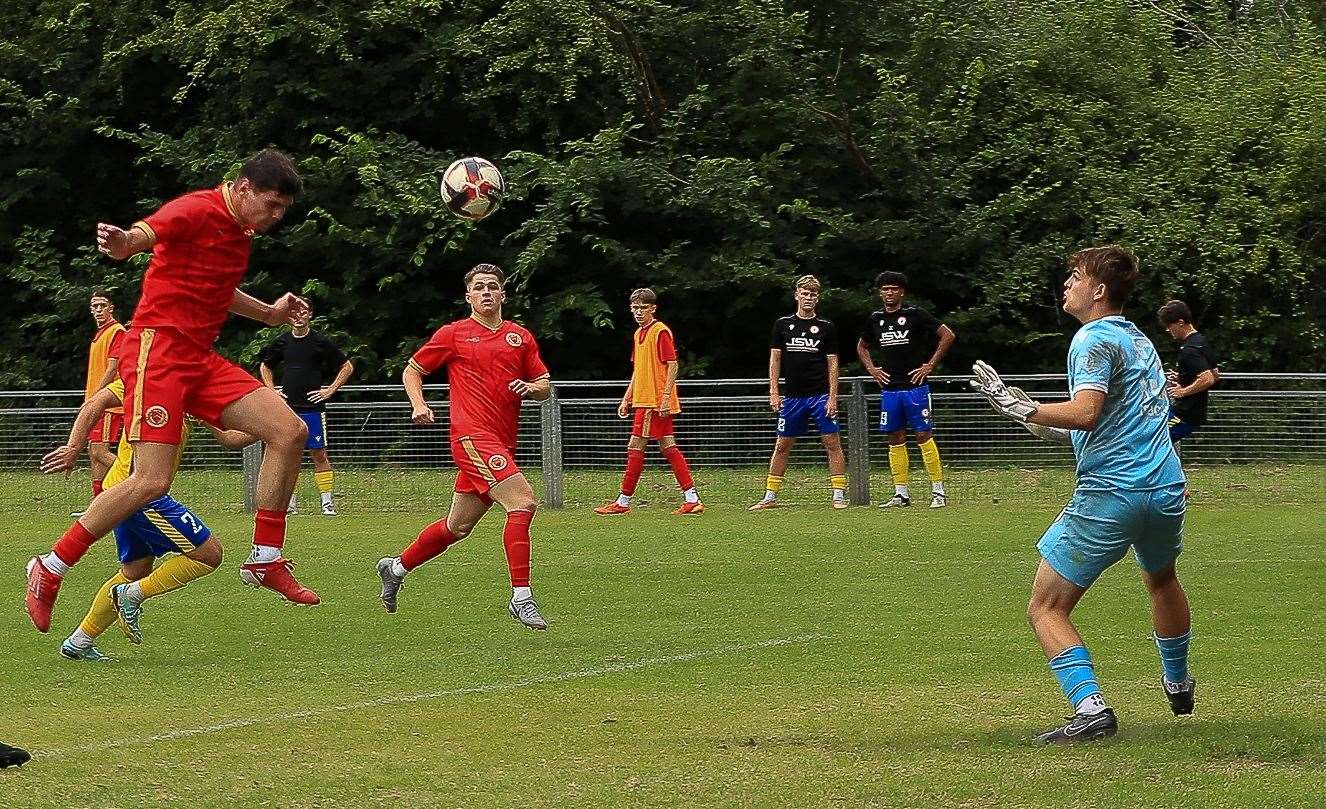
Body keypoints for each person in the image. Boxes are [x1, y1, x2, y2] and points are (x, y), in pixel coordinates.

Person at [26, 148, 317, 636]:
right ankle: (50, 567)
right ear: (244, 188)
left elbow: (218, 290)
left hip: (199, 358)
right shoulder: (196, 209)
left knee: (289, 430)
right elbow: (144, 235)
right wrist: (122, 244)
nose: (277, 216)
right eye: (272, 204)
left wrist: (268, 314)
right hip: (157, 353)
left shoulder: (240, 234)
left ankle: (265, 557)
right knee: (151, 482)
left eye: (283, 209)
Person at [971, 245, 1195, 745]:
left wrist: (1023, 407)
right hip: (1165, 486)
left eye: (1075, 275)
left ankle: (1091, 708)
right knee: (1161, 579)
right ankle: (1178, 682)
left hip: (1112, 492)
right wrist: (1024, 413)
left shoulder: (1090, 339)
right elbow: (1101, 425)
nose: (1066, 283)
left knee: (1045, 607)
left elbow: (1087, 412)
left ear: (1097, 290)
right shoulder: (1137, 340)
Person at [376, 264, 553, 629]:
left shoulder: (519, 337)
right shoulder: (454, 334)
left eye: (493, 286)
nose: (487, 292)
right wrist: (419, 404)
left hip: (502, 442)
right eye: (479, 287)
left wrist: (531, 389)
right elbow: (412, 370)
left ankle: (396, 567)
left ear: (503, 294)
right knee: (523, 502)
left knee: (457, 527)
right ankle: (522, 597)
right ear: (468, 296)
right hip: (471, 436)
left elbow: (544, 385)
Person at [42, 379, 256, 658]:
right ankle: (130, 595)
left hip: (121, 493)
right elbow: (94, 402)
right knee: (209, 554)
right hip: (137, 494)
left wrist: (273, 426)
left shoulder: (193, 390)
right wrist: (73, 447)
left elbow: (229, 438)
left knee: (135, 571)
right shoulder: (145, 377)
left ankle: (80, 641)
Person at [594, 288, 703, 516]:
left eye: (643, 307)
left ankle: (623, 502)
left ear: (653, 308)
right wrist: (627, 397)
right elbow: (638, 369)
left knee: (636, 447)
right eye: (635, 307)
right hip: (644, 399)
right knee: (668, 446)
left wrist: (664, 396)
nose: (638, 312)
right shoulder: (638, 334)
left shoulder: (659, 331)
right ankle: (691, 497)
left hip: (652, 402)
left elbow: (672, 364)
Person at [856, 271, 956, 508]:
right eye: (885, 289)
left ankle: (938, 492)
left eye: (893, 288)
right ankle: (901, 493)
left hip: (916, 387)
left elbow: (947, 335)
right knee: (895, 437)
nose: (889, 293)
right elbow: (862, 346)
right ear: (880, 293)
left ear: (901, 292)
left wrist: (930, 365)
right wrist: (872, 369)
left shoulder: (914, 314)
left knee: (923, 434)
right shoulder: (875, 319)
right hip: (890, 388)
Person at [750, 275, 848, 510]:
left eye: (813, 294)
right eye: (804, 293)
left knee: (832, 442)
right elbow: (775, 359)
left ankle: (838, 495)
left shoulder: (826, 327)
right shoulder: (782, 324)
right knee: (782, 444)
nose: (808, 298)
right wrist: (774, 391)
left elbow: (833, 363)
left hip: (820, 395)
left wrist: (833, 396)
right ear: (796, 295)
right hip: (792, 396)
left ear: (818, 298)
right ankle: (770, 497)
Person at [259, 304, 355, 516]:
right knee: (287, 455)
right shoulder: (283, 341)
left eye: (302, 312)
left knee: (319, 454)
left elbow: (346, 366)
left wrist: (329, 390)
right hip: (287, 409)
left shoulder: (320, 341)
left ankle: (327, 504)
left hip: (313, 408)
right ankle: (289, 503)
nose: (298, 316)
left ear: (310, 314)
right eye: (294, 312)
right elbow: (265, 366)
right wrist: (272, 390)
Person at [82, 290, 127, 509]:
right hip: (97, 402)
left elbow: (113, 367)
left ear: (111, 308)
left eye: (102, 305)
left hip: (108, 404)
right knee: (93, 452)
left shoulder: (117, 331)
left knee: (99, 450)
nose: (98, 310)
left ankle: (135, 480)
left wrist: (98, 397)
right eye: (95, 306)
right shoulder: (100, 334)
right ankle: (97, 503)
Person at [1157, 300, 1219, 443]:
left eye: (1169, 325)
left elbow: (1208, 379)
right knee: (1158, 443)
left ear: (1180, 322)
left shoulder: (1189, 350)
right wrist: (1183, 378)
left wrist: (1182, 391)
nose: (1168, 330)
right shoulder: (1201, 341)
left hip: (1185, 414)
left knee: (1155, 441)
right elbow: (1215, 374)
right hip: (1193, 413)